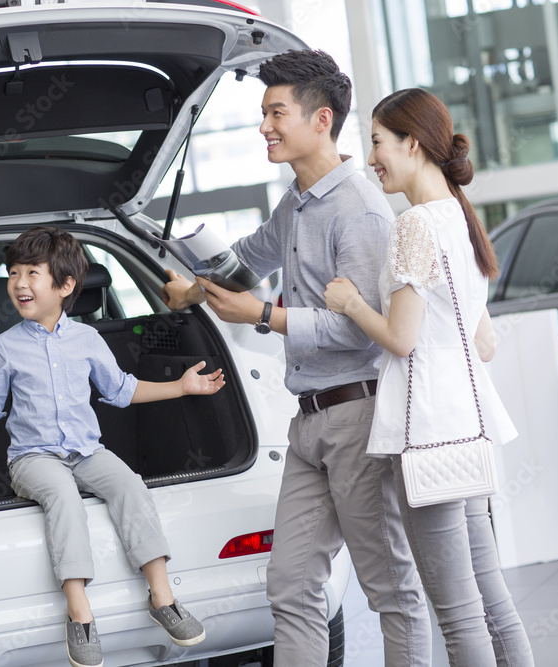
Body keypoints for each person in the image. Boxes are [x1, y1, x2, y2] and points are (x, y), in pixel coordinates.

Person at [161, 50, 432, 666]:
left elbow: (364, 330)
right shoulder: (299, 200)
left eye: (276, 113)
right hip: (308, 423)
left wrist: (263, 316)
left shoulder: (360, 210)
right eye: (262, 114)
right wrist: (196, 286)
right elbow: (246, 262)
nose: (264, 127)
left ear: (321, 119)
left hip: (358, 419)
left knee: (391, 590)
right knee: (290, 585)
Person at [0, 227, 221, 667]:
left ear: (65, 287)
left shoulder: (87, 340)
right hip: (32, 458)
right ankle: (79, 611)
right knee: (62, 496)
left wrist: (180, 386)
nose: (19, 283)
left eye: (32, 273)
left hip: (86, 451)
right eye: (14, 273)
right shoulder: (7, 347)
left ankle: (162, 595)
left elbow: (120, 390)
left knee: (129, 485)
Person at [324, 87, 534, 666]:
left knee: (458, 613)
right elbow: (483, 341)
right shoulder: (461, 219)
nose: (370, 159)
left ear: (411, 143)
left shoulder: (415, 225)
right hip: (467, 426)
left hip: (427, 434)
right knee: (492, 601)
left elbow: (401, 338)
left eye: (376, 142)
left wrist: (348, 302)